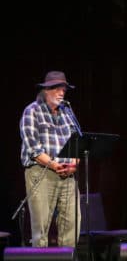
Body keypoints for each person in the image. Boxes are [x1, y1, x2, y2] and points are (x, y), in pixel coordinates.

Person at [19, 71, 80, 247]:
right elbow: (34, 149)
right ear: (45, 90)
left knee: (72, 224)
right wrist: (55, 165)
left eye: (64, 89)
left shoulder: (67, 113)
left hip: (67, 175)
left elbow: (78, 143)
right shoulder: (32, 111)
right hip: (42, 173)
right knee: (42, 228)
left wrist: (73, 165)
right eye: (57, 89)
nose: (62, 93)